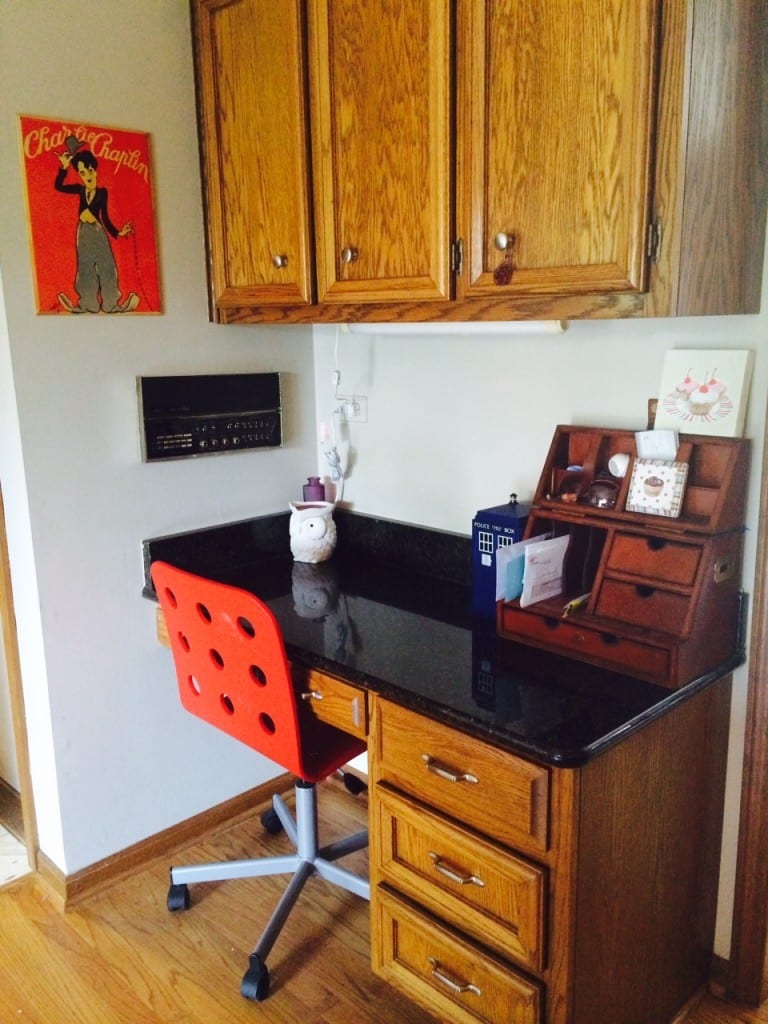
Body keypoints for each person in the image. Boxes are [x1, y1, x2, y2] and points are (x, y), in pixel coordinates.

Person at [55, 142, 139, 313]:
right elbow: (59, 187)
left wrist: (118, 232)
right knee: (85, 267)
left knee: (106, 265)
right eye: (83, 173)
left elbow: (105, 217)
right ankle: (88, 303)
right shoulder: (79, 190)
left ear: (95, 170)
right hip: (83, 232)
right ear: (79, 175)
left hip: (97, 231)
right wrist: (64, 168)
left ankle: (111, 303)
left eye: (90, 171)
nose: (88, 176)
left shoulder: (102, 193)